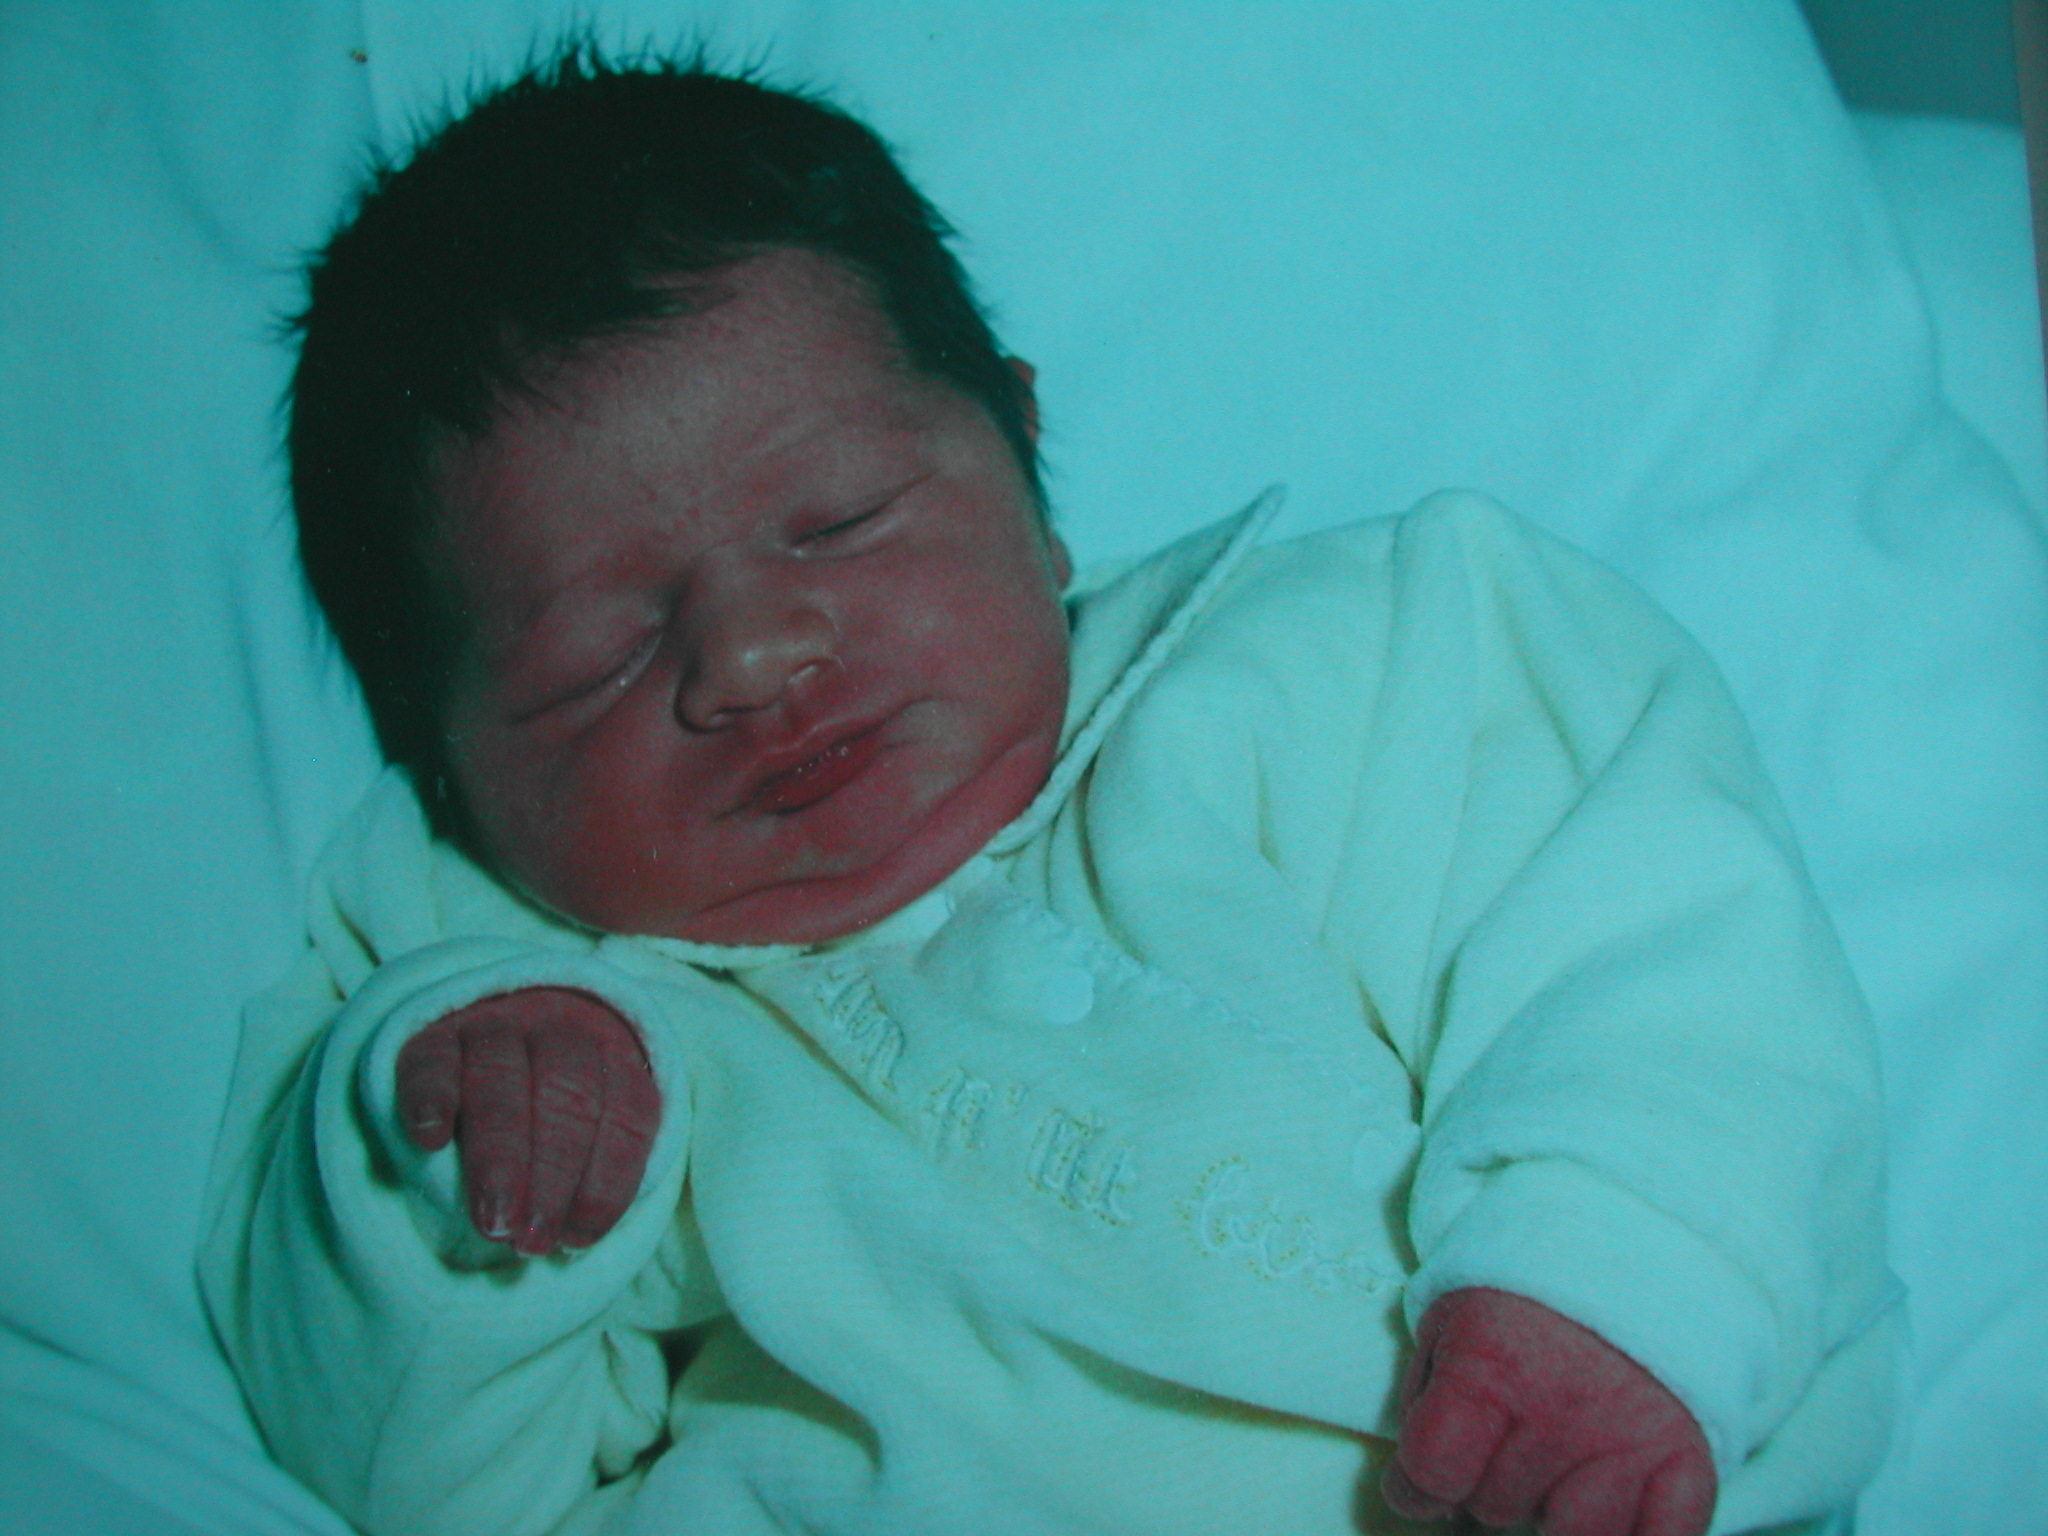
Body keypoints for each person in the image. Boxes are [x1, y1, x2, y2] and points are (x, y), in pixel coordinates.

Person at [201, 47, 1899, 1536]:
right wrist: (447, 1183)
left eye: (840, 522)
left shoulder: (1342, 671)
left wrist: (1616, 1274)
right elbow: (429, 1482)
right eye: (596, 661)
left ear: (1024, 454)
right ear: (444, 759)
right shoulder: (551, 1003)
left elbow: (1664, 941)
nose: (753, 656)